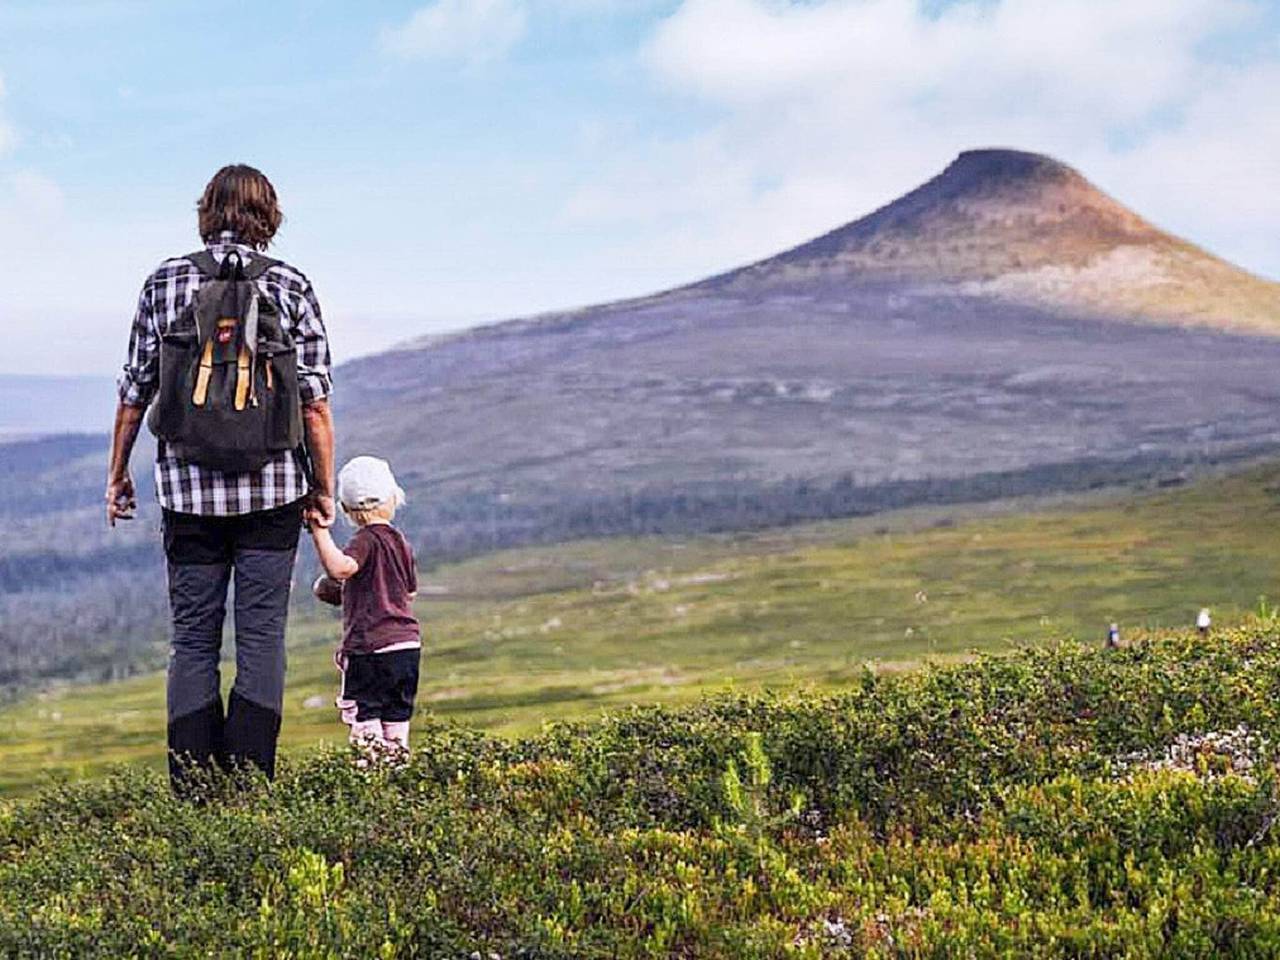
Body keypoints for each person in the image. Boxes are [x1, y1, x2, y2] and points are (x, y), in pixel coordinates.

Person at [106, 164, 336, 789]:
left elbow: (135, 390)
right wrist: (322, 487)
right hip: (272, 494)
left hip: (187, 494)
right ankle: (249, 789)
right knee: (261, 637)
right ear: (270, 216)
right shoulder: (291, 286)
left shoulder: (165, 281)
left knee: (193, 640)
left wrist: (118, 475)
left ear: (206, 211)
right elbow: (314, 402)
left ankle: (192, 791)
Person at [310, 456, 422, 753]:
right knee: (396, 721)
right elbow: (408, 593)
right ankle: (397, 779)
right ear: (394, 498)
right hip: (406, 648)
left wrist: (319, 532)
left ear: (346, 509)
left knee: (366, 721)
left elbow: (342, 568)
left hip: (369, 648)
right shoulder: (401, 543)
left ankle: (369, 784)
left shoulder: (366, 540)